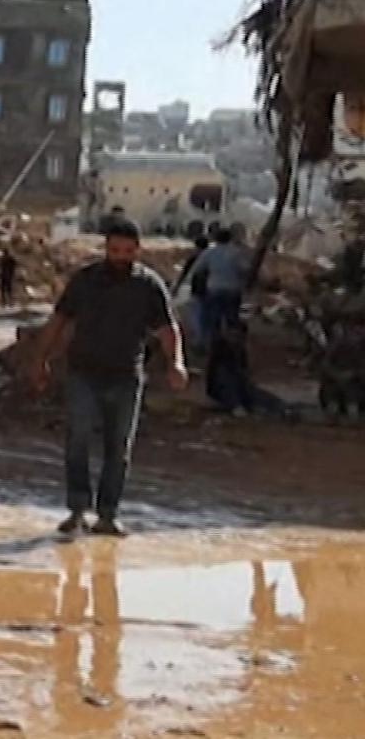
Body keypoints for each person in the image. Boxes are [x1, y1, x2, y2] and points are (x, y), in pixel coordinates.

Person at [29, 217, 188, 538]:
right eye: (115, 250)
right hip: (83, 374)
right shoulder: (85, 281)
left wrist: (177, 363)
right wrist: (39, 360)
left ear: (137, 251)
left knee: (119, 449)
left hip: (126, 376)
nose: (120, 257)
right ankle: (76, 511)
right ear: (105, 249)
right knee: (78, 441)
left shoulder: (148, 286)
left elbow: (167, 329)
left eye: (127, 251)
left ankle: (108, 515)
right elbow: (59, 320)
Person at [181, 227, 249, 339]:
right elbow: (245, 269)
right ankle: (233, 342)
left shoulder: (209, 252)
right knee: (231, 318)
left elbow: (197, 269)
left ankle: (215, 344)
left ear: (216, 238)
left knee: (214, 319)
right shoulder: (236, 252)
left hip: (214, 289)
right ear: (230, 238)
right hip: (233, 289)